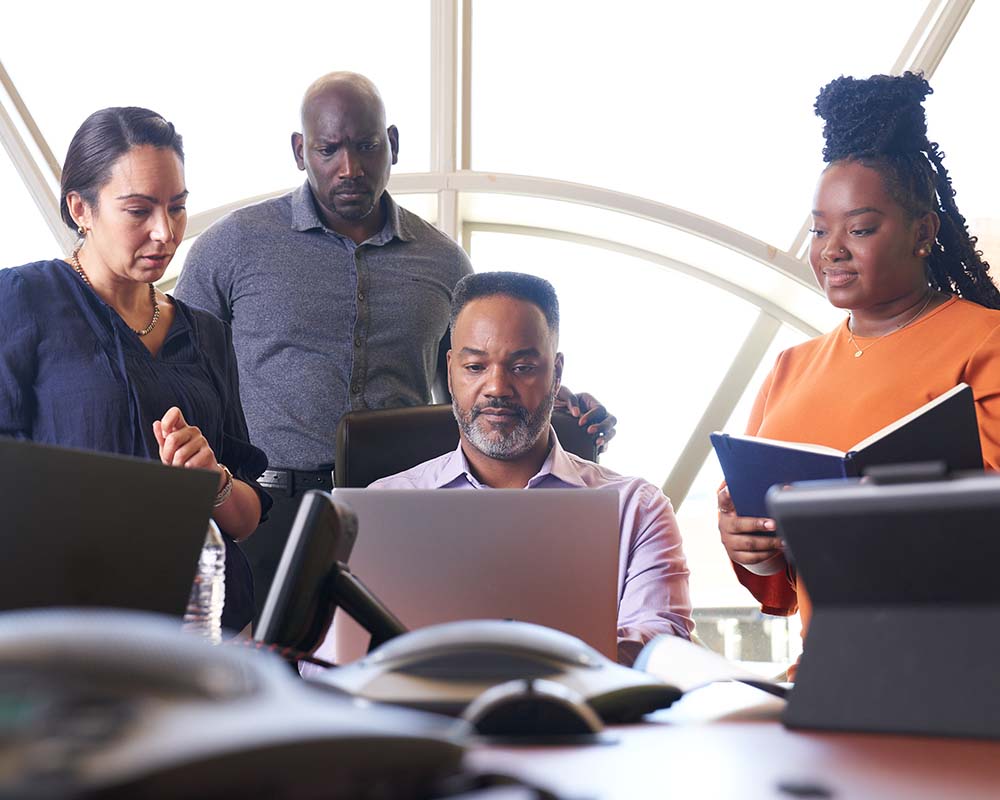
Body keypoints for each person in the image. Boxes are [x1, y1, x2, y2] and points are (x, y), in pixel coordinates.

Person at [174, 72, 617, 616]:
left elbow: (475, 375)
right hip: (268, 510)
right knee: (266, 681)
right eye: (328, 148)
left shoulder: (444, 262)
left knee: (399, 670)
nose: (350, 167)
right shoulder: (231, 248)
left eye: (366, 146)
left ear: (394, 145)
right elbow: (183, 377)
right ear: (299, 151)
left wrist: (558, 395)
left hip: (407, 512)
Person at [718, 72, 1000, 668]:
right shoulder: (790, 368)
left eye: (861, 228)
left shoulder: (985, 343)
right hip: (830, 675)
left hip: (964, 675)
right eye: (820, 230)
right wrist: (756, 551)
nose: (832, 249)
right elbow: (783, 579)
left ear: (923, 232)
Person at [0, 107, 270, 632]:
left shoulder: (207, 333)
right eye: (138, 210)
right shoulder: (22, 302)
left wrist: (211, 481)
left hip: (207, 629)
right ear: (81, 208)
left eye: (177, 207)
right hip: (75, 629)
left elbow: (245, 518)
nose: (164, 232)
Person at [363, 271, 693, 666]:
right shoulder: (380, 508)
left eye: (522, 367)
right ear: (450, 371)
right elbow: (324, 661)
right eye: (475, 367)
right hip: (413, 723)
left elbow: (663, 647)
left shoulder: (636, 508)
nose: (497, 388)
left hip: (583, 722)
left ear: (556, 375)